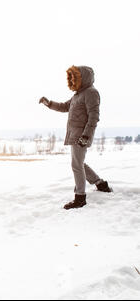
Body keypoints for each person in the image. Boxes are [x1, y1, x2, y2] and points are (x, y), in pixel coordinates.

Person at [39, 65, 112, 210]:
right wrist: (49, 104)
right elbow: (64, 106)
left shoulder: (91, 92)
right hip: (74, 135)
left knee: (76, 165)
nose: (72, 79)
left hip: (82, 136)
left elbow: (94, 116)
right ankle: (100, 183)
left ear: (82, 77)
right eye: (70, 77)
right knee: (80, 163)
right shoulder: (78, 95)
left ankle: (80, 198)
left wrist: (86, 135)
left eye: (74, 77)